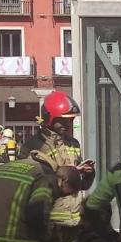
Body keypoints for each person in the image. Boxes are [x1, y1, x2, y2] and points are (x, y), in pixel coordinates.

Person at [23, 92, 94, 233]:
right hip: (51, 220)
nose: (68, 124)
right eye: (63, 120)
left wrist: (87, 174)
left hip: (76, 218)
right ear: (49, 118)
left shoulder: (73, 143)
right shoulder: (33, 146)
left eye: (71, 120)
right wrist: (69, 173)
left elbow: (81, 186)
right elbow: (34, 184)